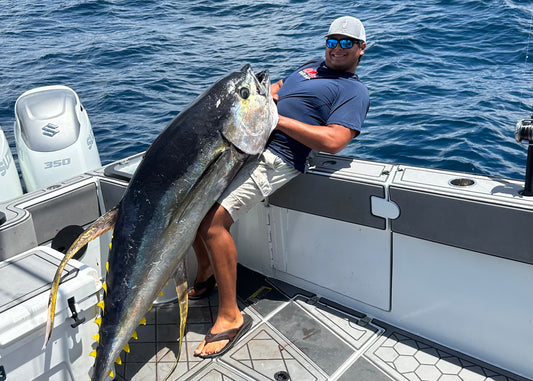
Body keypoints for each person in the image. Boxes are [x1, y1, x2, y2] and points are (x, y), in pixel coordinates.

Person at [190, 15, 370, 358]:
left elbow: (334, 141)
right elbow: (274, 90)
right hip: (247, 145)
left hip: (279, 159)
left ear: (361, 49)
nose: (337, 48)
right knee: (193, 208)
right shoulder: (311, 67)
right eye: (332, 41)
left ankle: (230, 315)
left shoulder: (353, 91)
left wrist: (278, 120)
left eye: (347, 43)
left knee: (213, 222)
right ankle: (207, 269)